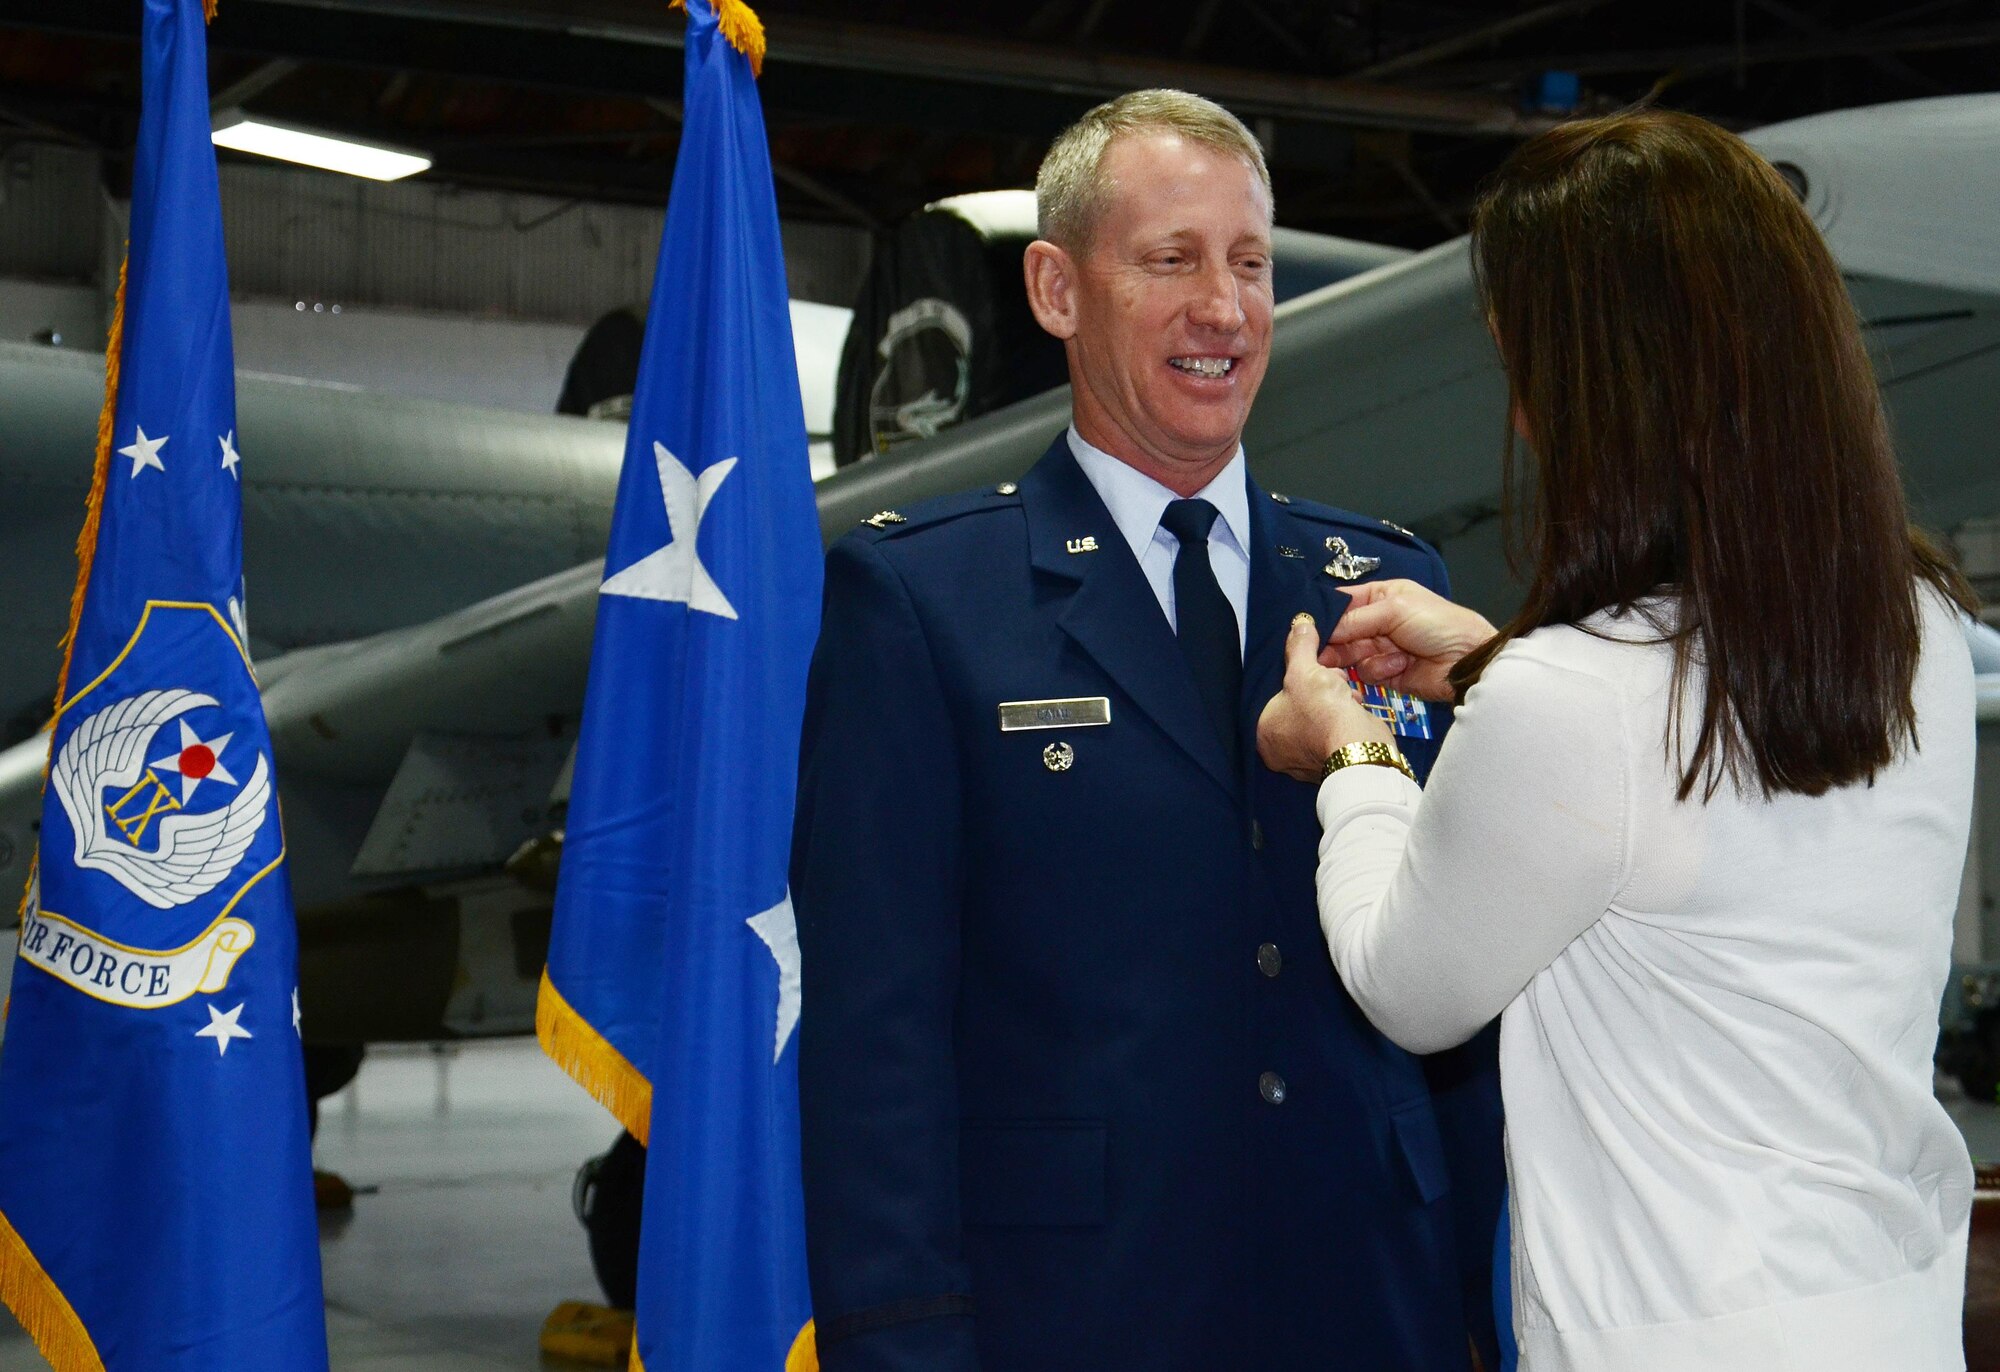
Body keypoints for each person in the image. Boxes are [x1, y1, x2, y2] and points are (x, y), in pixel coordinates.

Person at [1257, 108, 1978, 1372]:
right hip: (1881, 1313)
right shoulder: (1907, 620)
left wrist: (1354, 753)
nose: (1524, 413)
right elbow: (1699, 775)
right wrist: (1487, 665)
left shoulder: (1574, 698)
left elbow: (1405, 983)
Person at [793, 89, 1504, 1372]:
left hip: (1370, 1301)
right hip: (1069, 1311)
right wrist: (898, 1344)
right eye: (1170, 261)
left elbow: (1451, 994)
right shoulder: (920, 602)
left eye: (1247, 264)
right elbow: (874, 1047)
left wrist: (1477, 1309)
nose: (1222, 310)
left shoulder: (1382, 587)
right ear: (1057, 290)